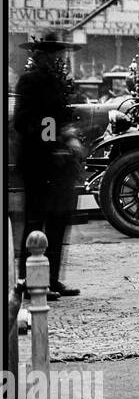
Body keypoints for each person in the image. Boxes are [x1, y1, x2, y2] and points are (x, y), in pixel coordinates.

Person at [12, 32, 83, 299]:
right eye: (54, 54)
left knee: (57, 222)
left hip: (57, 165)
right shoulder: (30, 81)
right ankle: (32, 282)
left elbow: (60, 116)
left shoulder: (56, 82)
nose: (59, 58)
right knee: (35, 223)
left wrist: (69, 135)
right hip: (38, 164)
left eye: (60, 54)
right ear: (41, 56)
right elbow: (26, 120)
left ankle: (51, 279)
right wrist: (55, 142)